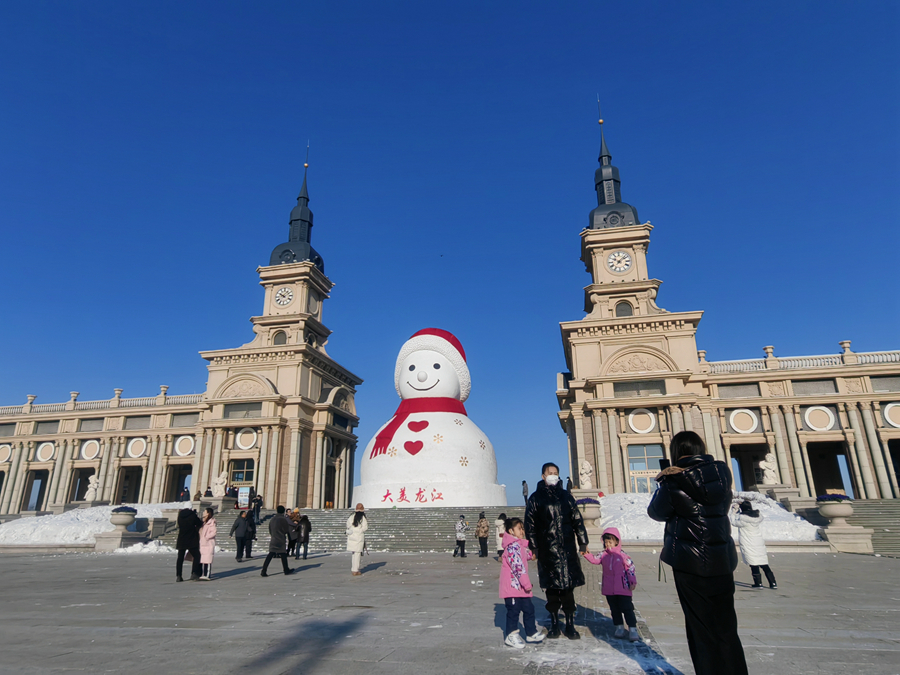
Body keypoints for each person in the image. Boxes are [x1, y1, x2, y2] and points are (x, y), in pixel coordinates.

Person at [648, 431, 748, 675]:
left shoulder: (674, 481)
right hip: (722, 561)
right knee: (726, 628)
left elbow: (656, 512)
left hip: (691, 564)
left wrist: (664, 482)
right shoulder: (722, 477)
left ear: (676, 453)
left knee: (701, 630)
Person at [525, 461, 588, 640]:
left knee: (568, 590)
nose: (553, 475)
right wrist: (534, 547)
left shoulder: (566, 496)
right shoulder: (536, 498)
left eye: (555, 472)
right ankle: (554, 623)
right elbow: (530, 525)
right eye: (549, 472)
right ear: (543, 476)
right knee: (552, 590)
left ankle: (569, 624)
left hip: (567, 549)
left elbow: (577, 519)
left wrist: (583, 542)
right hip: (548, 552)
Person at [583, 527, 640, 642]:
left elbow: (630, 569)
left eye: (611, 542)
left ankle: (632, 628)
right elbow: (595, 560)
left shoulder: (623, 556)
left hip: (623, 588)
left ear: (617, 542)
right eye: (606, 542)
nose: (608, 544)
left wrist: (632, 581)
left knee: (627, 608)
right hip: (609, 588)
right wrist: (586, 554)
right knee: (615, 609)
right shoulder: (603, 555)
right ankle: (619, 627)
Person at [500, 517, 547, 649]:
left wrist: (530, 554)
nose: (522, 531)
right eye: (519, 528)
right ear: (511, 531)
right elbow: (518, 567)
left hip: (520, 587)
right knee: (513, 611)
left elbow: (523, 555)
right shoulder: (511, 547)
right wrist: (527, 584)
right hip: (513, 586)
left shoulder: (518, 545)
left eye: (522, 528)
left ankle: (531, 632)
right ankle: (511, 634)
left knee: (529, 609)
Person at [732, 500, 777, 589]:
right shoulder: (757, 518)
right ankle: (773, 583)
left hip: (749, 543)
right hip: (758, 542)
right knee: (764, 564)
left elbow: (733, 521)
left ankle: (758, 583)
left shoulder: (743, 520)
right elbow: (760, 516)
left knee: (754, 563)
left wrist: (734, 511)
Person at [261, 505, 294, 577]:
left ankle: (264, 570)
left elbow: (270, 529)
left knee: (270, 555)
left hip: (274, 538)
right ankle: (286, 570)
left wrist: (273, 535)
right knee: (283, 555)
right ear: (283, 511)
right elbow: (286, 530)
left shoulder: (273, 519)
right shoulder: (283, 519)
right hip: (280, 539)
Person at [175, 507, 203, 582]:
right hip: (191, 538)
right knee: (197, 556)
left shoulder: (180, 516)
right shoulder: (192, 515)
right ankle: (194, 573)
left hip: (181, 538)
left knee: (180, 558)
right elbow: (199, 523)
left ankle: (179, 575)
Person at [346, 503, 368, 576]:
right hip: (358, 537)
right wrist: (359, 530)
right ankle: (355, 570)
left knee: (354, 554)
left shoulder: (352, 517)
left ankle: (353, 568)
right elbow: (365, 527)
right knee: (357, 554)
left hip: (352, 537)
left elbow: (348, 525)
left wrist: (353, 529)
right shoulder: (363, 518)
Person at [198, 507, 217, 580]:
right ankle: (204, 573)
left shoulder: (211, 522)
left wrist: (206, 537)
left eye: (205, 512)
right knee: (204, 560)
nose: (203, 513)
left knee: (208, 560)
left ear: (208, 513)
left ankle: (207, 574)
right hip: (203, 544)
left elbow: (214, 532)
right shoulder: (204, 522)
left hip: (208, 543)